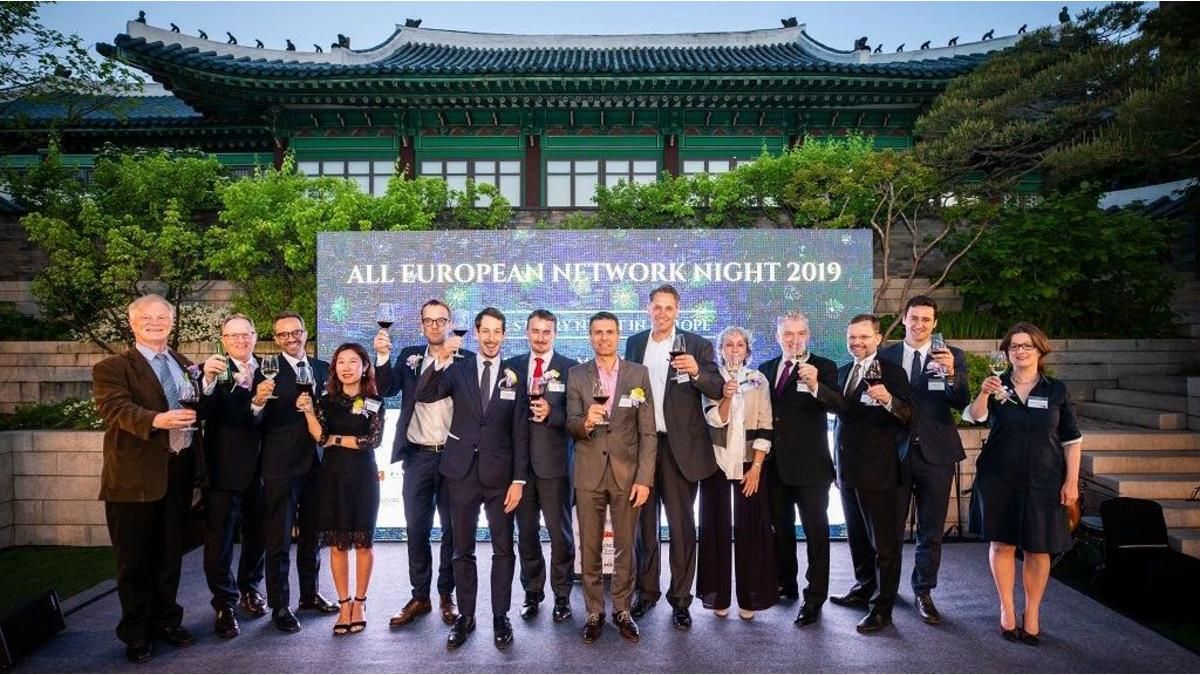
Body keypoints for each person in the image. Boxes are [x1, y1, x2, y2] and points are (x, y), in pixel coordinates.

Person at [92, 294, 199, 664]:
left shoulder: (183, 363)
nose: (155, 323)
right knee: (134, 561)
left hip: (178, 472)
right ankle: (136, 632)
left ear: (172, 322)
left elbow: (197, 403)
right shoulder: (112, 367)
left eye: (162, 317)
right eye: (147, 318)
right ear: (132, 323)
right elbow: (114, 408)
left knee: (170, 556)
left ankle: (167, 621)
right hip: (133, 480)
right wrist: (157, 419)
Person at [418, 307, 530, 651]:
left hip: (501, 478)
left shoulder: (514, 377)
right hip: (461, 473)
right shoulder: (458, 368)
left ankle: (500, 617)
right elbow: (425, 393)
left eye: (498, 332)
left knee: (503, 550)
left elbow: (520, 432)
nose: (491, 338)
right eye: (486, 331)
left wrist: (519, 481)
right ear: (477, 333)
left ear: (504, 335)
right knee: (461, 550)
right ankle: (465, 617)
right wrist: (441, 358)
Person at [966, 322, 1082, 646]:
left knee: (1038, 547)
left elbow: (1072, 440)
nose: (1020, 351)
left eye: (1026, 345)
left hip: (1045, 479)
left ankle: (1032, 612)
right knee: (1002, 544)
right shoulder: (996, 385)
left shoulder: (1056, 390)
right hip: (998, 477)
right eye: (1013, 346)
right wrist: (983, 393)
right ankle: (1007, 609)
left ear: (1040, 350)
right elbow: (973, 417)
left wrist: (1071, 481)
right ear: (1006, 353)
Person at [624, 284, 724, 629]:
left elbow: (716, 388)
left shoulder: (696, 344)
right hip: (642, 447)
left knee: (681, 529)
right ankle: (646, 593)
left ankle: (681, 600)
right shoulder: (635, 343)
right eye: (657, 307)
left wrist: (696, 371)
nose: (662, 313)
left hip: (681, 449)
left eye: (669, 308)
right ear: (648, 309)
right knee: (644, 529)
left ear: (677, 311)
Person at [878, 295, 970, 625]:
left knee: (931, 530)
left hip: (937, 454)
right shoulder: (885, 355)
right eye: (914, 318)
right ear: (904, 318)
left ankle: (923, 591)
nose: (919, 324)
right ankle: (886, 590)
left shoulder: (952, 355)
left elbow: (961, 401)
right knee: (890, 528)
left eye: (926, 320)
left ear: (935, 324)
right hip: (894, 453)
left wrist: (951, 374)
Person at [566, 311, 656, 644]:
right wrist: (586, 422)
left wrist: (644, 478)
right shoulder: (576, 375)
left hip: (627, 475)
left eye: (609, 332)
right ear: (590, 337)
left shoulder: (638, 374)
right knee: (589, 549)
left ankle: (622, 609)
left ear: (618, 336)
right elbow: (570, 425)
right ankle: (594, 611)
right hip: (588, 474)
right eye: (598, 332)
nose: (604, 337)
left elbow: (648, 432)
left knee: (625, 548)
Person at [374, 299, 465, 628]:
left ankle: (446, 594)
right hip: (417, 456)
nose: (435, 326)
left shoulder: (466, 360)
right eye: (429, 321)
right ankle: (420, 596)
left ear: (450, 323)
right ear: (421, 325)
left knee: (453, 530)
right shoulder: (408, 356)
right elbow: (386, 389)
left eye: (441, 320)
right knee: (417, 529)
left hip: (454, 457)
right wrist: (382, 357)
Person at [252, 312, 338, 633]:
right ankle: (279, 605)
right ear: (276, 339)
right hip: (280, 466)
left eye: (296, 332)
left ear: (305, 333)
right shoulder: (265, 371)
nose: (291, 338)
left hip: (319, 464)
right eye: (283, 334)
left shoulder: (323, 368)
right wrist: (258, 402)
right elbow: (253, 421)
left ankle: (310, 595)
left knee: (312, 536)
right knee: (279, 540)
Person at [758, 312, 844, 626]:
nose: (794, 340)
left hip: (811, 469)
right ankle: (786, 584)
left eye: (800, 334)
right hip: (775, 468)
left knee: (816, 534)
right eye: (788, 334)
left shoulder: (824, 367)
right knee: (780, 531)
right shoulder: (766, 369)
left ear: (808, 336)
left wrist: (816, 384)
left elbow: (839, 405)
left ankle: (815, 597)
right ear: (778, 337)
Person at [830, 314, 913, 634]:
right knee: (858, 538)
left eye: (864, 337)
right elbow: (842, 420)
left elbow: (909, 416)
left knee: (884, 545)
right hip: (847, 470)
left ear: (878, 339)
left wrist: (889, 400)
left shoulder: (893, 373)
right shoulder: (842, 372)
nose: (857, 342)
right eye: (852, 337)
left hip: (879, 472)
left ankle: (882, 608)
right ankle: (863, 588)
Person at [297, 343, 385, 636]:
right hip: (332, 477)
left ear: (365, 366)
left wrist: (337, 439)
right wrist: (309, 413)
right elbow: (320, 437)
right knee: (337, 544)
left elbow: (372, 441)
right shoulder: (325, 401)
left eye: (353, 361)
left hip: (363, 478)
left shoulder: (374, 401)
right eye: (341, 362)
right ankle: (344, 604)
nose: (346, 367)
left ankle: (360, 603)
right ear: (334, 368)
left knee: (363, 543)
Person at [696, 326, 776, 620]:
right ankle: (717, 595)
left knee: (751, 529)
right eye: (728, 344)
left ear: (747, 350)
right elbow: (714, 419)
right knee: (714, 527)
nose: (734, 349)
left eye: (740, 345)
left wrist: (756, 468)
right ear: (720, 350)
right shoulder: (711, 379)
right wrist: (727, 396)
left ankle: (750, 597)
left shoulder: (759, 379)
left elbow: (766, 424)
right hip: (716, 463)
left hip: (749, 463)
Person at [197, 314, 267, 639]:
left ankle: (251, 589)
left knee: (258, 536)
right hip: (224, 469)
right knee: (220, 541)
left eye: (245, 334)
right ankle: (224, 603)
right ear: (223, 340)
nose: (240, 340)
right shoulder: (210, 371)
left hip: (265, 469)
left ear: (255, 336)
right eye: (233, 335)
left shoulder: (270, 369)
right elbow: (201, 413)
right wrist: (208, 383)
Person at [506, 309, 578, 622]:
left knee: (560, 535)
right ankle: (532, 592)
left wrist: (552, 413)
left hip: (556, 467)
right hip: (519, 469)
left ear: (555, 334)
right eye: (535, 331)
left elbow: (576, 418)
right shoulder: (511, 368)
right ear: (527, 332)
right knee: (526, 534)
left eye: (546, 332)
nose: (540, 337)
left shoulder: (571, 369)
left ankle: (562, 595)